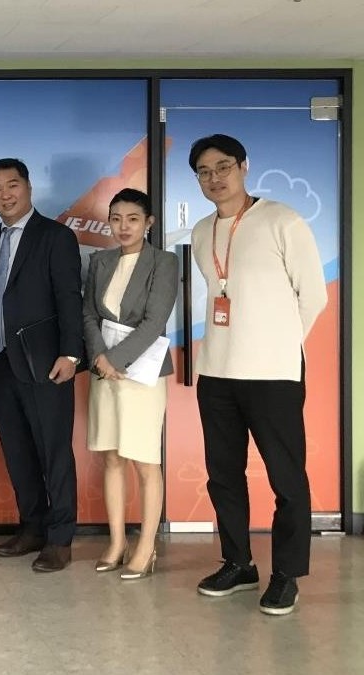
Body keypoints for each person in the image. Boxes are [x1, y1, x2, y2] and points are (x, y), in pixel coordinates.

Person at [188, 134, 327, 615]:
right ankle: (239, 563)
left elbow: (314, 296)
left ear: (244, 166)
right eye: (204, 172)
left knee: (286, 478)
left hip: (274, 374)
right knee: (223, 475)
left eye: (222, 166)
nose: (214, 178)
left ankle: (286, 573)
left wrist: (279, 344)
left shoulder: (282, 220)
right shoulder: (201, 231)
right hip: (218, 373)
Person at [0, 158, 83, 573]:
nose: (5, 195)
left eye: (12, 185)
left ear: (28, 187)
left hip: (45, 361)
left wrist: (71, 353)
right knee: (17, 450)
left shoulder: (55, 236)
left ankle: (60, 539)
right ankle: (32, 527)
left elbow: (69, 298)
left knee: (53, 451)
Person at [82, 188, 178, 580]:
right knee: (111, 457)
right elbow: (88, 313)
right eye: (116, 218)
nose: (123, 226)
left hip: (142, 373)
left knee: (144, 462)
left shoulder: (164, 262)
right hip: (105, 372)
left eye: (133, 218)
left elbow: (155, 321)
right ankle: (117, 541)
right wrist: (101, 358)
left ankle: (146, 546)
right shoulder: (100, 260)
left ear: (148, 223)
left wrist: (116, 359)